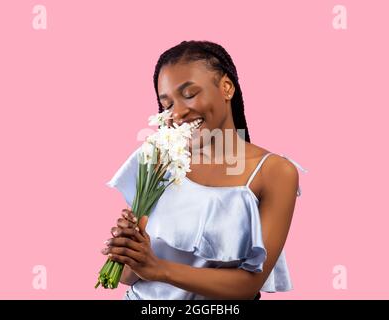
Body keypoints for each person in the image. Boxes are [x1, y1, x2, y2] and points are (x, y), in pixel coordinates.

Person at [102, 40, 308, 300]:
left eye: (189, 94)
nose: (177, 113)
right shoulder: (159, 161)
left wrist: (159, 269)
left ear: (226, 87)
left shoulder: (275, 172)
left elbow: (247, 286)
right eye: (167, 105)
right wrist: (128, 252)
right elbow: (128, 276)